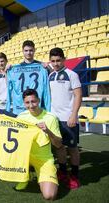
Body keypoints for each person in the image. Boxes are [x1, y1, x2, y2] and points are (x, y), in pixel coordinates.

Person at [16, 89, 63, 200]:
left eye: (34, 101)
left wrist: (48, 131)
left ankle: (42, 175)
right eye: (27, 103)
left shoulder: (51, 117)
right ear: (24, 103)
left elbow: (58, 144)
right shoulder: (21, 117)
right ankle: (24, 176)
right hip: (25, 157)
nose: (31, 105)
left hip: (43, 159)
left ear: (39, 100)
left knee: (49, 195)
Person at [48, 47, 82, 189]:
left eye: (58, 60)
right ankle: (62, 172)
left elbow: (78, 95)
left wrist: (74, 115)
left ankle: (74, 176)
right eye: (53, 61)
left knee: (73, 148)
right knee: (59, 147)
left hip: (69, 119)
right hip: (54, 119)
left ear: (64, 59)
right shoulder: (50, 76)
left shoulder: (71, 74)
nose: (55, 63)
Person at [6, 40, 51, 116]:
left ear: (34, 50)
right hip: (20, 107)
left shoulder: (41, 67)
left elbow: (47, 89)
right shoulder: (14, 69)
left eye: (31, 50)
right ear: (22, 51)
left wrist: (49, 68)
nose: (28, 53)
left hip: (36, 106)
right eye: (26, 50)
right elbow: (9, 88)